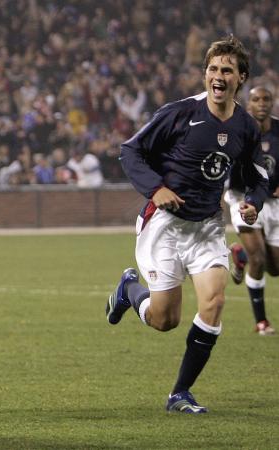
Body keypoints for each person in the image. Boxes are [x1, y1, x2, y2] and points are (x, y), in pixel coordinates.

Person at [106, 36, 269, 414]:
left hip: (207, 227)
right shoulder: (180, 113)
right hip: (164, 224)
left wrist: (252, 204)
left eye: (227, 70)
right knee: (165, 320)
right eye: (213, 69)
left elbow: (255, 177)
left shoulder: (245, 126)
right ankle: (129, 289)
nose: (218, 76)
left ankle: (180, 393)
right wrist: (156, 188)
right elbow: (130, 150)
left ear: (240, 77)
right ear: (205, 74)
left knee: (214, 301)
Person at [224, 86, 277, 336]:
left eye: (266, 99)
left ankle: (239, 253)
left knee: (275, 267)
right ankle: (262, 322)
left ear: (273, 102)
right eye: (256, 99)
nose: (262, 103)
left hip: (274, 204)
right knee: (258, 259)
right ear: (249, 103)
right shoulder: (238, 130)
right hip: (243, 198)